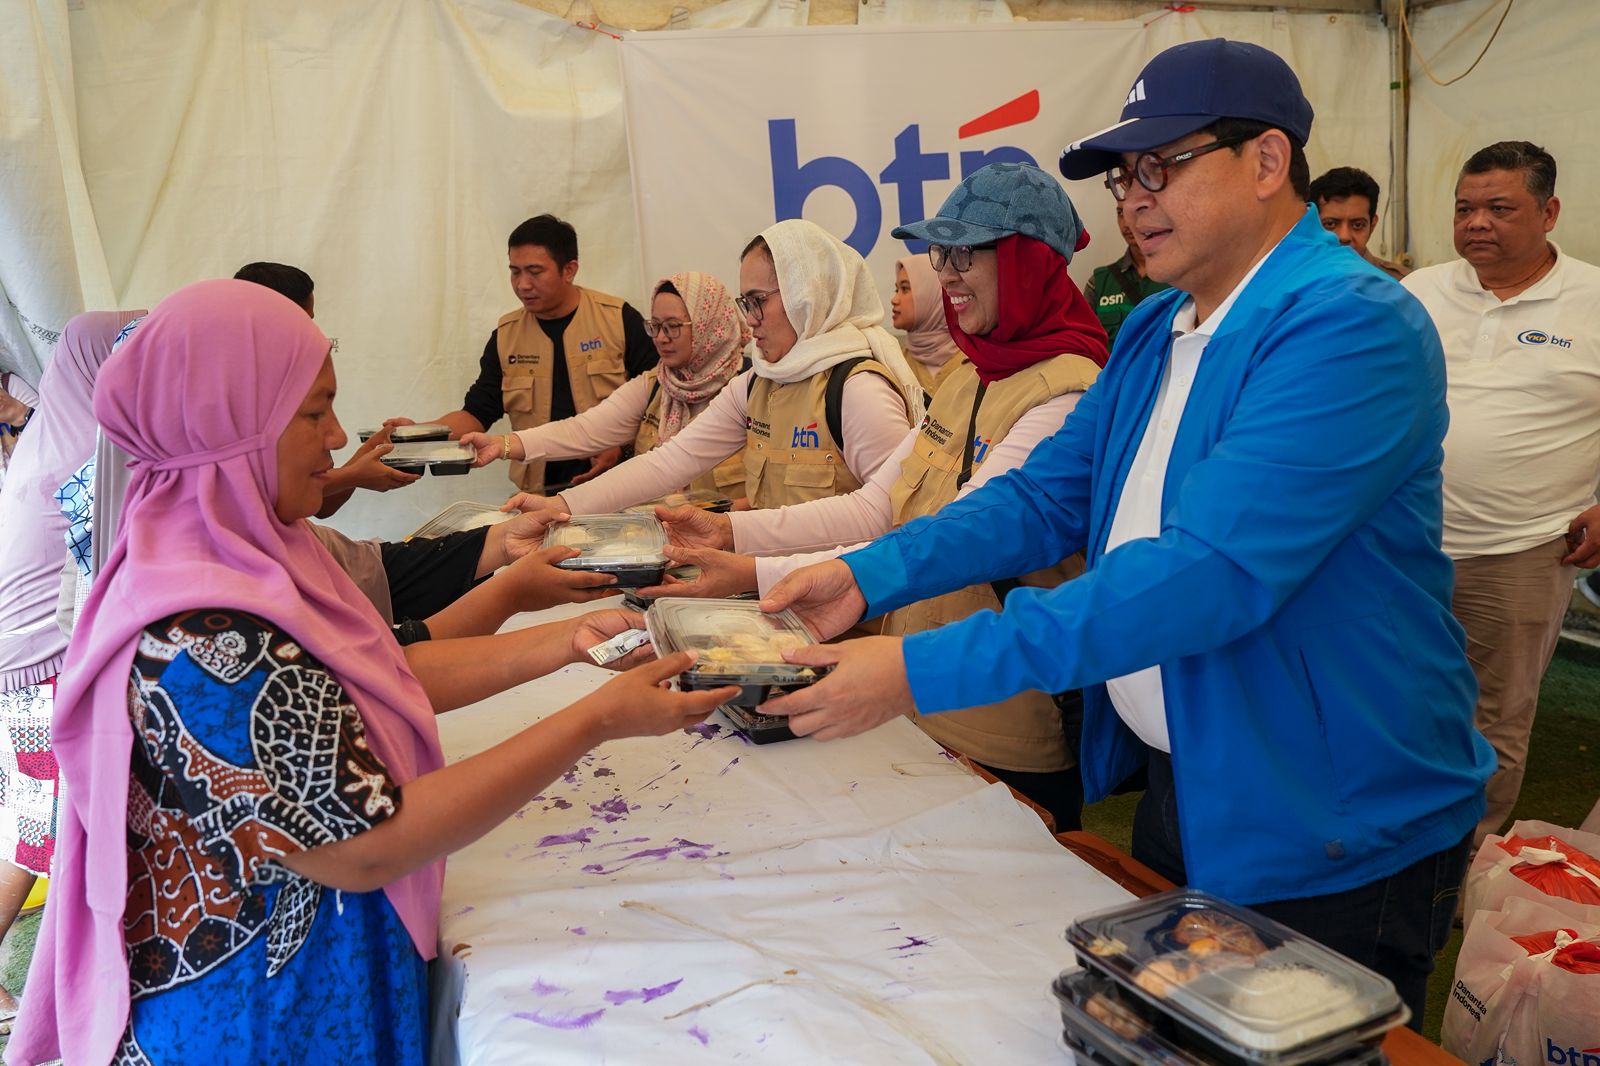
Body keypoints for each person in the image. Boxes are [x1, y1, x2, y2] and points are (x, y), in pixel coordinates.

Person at [751, 39, 1493, 1026]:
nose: (1131, 200)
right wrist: (864, 575)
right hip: (1191, 775)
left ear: (1267, 162)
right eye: (1120, 178)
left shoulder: (1349, 327)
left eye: (1158, 167)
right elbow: (1043, 499)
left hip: (1331, 810)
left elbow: (1206, 576)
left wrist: (914, 669)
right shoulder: (1154, 328)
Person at [5, 280, 736, 1065]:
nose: (339, 436)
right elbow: (365, 844)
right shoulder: (202, 633)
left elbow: (378, 673)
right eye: (314, 411)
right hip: (260, 1024)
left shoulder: (242, 552)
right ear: (234, 420)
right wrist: (593, 720)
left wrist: (563, 644)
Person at [646, 163, 1107, 829]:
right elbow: (878, 505)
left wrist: (763, 571)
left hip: (999, 718)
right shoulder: (967, 371)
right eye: (938, 253)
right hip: (908, 689)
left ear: (1029, 262)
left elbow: (962, 531)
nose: (944, 272)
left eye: (966, 253)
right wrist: (737, 549)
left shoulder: (1064, 391)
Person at [1402, 141, 1600, 845]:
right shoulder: (1418, 291)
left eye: (1498, 208)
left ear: (1549, 212)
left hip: (1520, 550)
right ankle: (1387, 851)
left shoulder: (1593, 300)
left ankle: (1458, 868)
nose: (1476, 223)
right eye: (1464, 208)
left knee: (1492, 718)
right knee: (1396, 697)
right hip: (1402, 541)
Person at [502, 218, 923, 521]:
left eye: (759, 300)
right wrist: (563, 506)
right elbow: (669, 463)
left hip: (858, 622)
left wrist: (734, 532)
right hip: (775, 594)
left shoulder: (858, 389)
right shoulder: (757, 384)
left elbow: (886, 515)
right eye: (745, 302)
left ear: (807, 297)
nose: (750, 318)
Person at [0, 310, 142, 1035]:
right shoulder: (74, 457)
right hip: (38, 669)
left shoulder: (53, 437)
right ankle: (65, 1000)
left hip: (27, 668)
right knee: (48, 837)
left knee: (39, 832)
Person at [390, 214, 658, 493]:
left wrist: (620, 446)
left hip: (620, 487)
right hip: (540, 494)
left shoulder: (618, 320)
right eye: (515, 271)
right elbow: (476, 413)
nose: (522, 284)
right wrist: (419, 432)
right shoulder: (507, 335)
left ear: (569, 270)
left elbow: (659, 401)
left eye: (534, 271)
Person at [459, 271, 750, 501]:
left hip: (739, 549)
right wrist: (503, 444)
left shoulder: (750, 386)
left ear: (709, 325)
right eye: (655, 326)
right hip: (670, 541)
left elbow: (776, 496)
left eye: (673, 326)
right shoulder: (656, 384)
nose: (660, 338)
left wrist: (718, 516)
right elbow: (582, 430)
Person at [231, 262, 423, 515]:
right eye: (300, 322)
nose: (338, 437)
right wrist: (354, 474)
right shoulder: (227, 398)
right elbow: (254, 499)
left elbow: (320, 506)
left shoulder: (295, 381)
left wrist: (364, 460)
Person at [1081, 201, 1169, 344]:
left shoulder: (1181, 279)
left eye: (1137, 211)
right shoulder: (1099, 282)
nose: (1126, 223)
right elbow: (1084, 344)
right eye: (1120, 213)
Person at [1307, 167, 1409, 280]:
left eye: (1357, 225)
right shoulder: (1295, 281)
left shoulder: (1404, 284)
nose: (1344, 236)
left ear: (1372, 226)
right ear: (1312, 224)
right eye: (1330, 224)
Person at [891, 253, 965, 400]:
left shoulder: (975, 363)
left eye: (905, 289)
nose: (895, 299)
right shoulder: (894, 364)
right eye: (896, 290)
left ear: (932, 293)